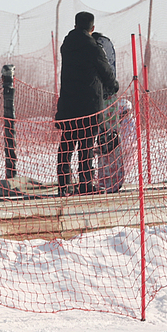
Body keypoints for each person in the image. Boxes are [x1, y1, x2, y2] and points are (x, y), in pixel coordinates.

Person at [54, 11, 118, 196]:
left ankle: (63, 186)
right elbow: (106, 72)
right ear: (92, 28)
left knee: (66, 147)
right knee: (86, 148)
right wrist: (114, 86)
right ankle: (85, 186)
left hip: (68, 106)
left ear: (75, 25)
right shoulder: (93, 48)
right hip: (89, 107)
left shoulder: (66, 46)